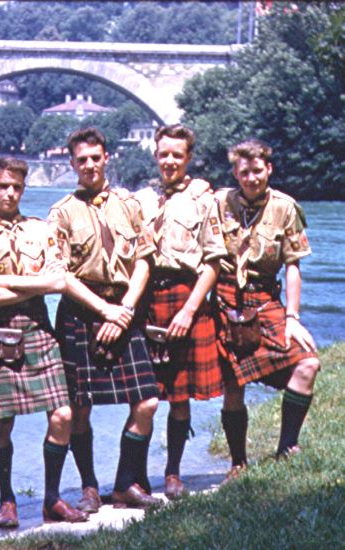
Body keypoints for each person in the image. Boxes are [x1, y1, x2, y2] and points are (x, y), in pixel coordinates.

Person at [0, 157, 100, 527]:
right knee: (3, 420)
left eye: (17, 187)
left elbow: (57, 283)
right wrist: (30, 283)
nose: (10, 193)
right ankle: (7, 499)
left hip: (39, 328)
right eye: (4, 185)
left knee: (63, 414)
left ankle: (51, 499)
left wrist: (3, 281)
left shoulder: (41, 230)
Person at [48, 127, 162, 511]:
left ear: (106, 157)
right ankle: (89, 487)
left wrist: (125, 308)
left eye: (95, 157)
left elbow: (145, 260)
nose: (89, 165)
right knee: (80, 406)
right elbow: (61, 275)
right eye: (82, 160)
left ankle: (125, 483)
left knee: (147, 401)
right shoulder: (61, 212)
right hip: (81, 313)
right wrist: (104, 311)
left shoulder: (129, 205)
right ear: (72, 164)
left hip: (124, 307)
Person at [214, 139, 320, 480]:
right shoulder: (219, 202)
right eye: (244, 172)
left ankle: (287, 447)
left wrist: (292, 317)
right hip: (225, 300)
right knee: (233, 385)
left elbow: (292, 265)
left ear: (269, 169)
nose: (251, 178)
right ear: (235, 173)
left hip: (266, 301)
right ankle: (237, 463)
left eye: (257, 170)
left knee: (307, 362)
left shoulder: (285, 207)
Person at [134, 124, 227, 500]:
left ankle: (173, 472)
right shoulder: (140, 200)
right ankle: (136, 475)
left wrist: (191, 309)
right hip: (147, 298)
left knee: (180, 393)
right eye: (163, 154)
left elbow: (213, 263)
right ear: (155, 155)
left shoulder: (204, 199)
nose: (169, 161)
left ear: (188, 158)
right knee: (144, 393)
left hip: (185, 296)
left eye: (177, 155)